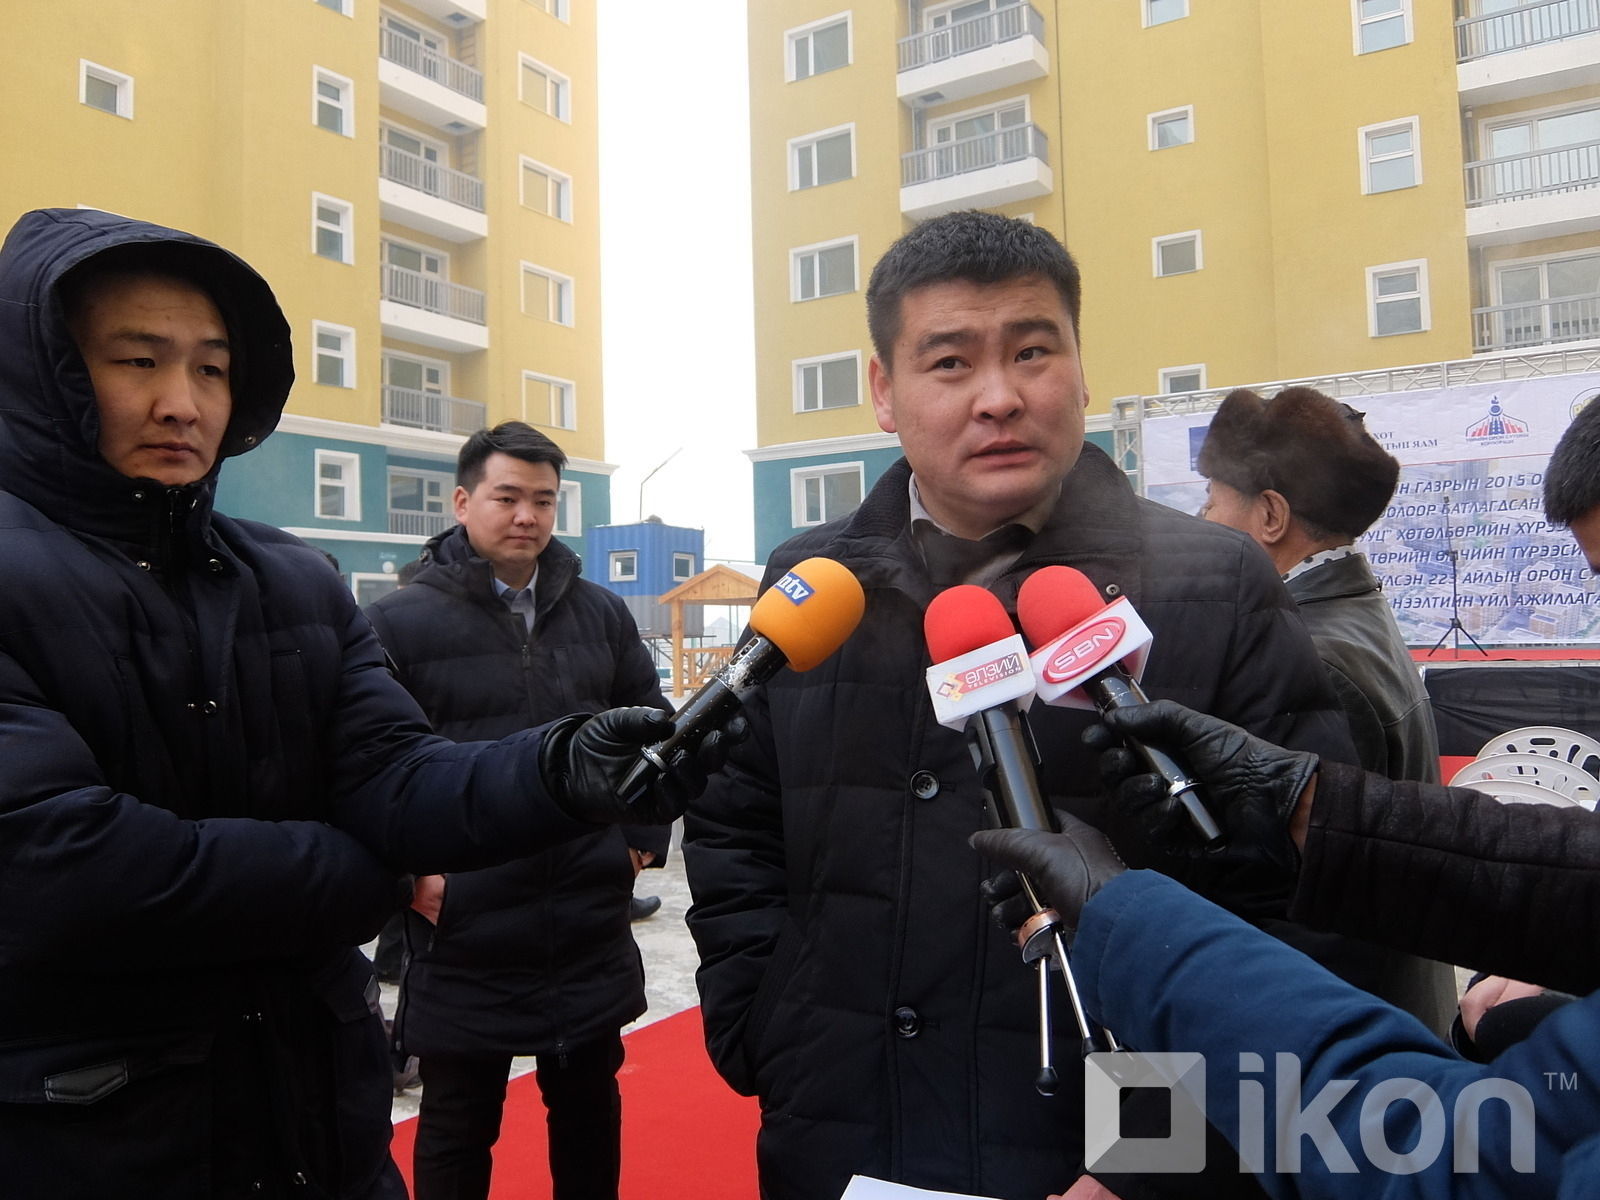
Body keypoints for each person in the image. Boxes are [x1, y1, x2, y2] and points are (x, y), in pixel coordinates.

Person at [0, 207, 713, 1199]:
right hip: (96, 1133)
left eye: (212, 368)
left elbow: (394, 774)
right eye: (137, 362)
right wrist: (376, 877)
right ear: (48, 373)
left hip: (320, 1120)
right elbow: (63, 867)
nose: (181, 403)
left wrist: (557, 771)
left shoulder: (293, 580)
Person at [682, 209, 1360, 1200]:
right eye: (950, 362)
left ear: (1080, 371)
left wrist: (1144, 1166)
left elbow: (1295, 902)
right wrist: (764, 1023)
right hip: (842, 1125)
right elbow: (735, 825)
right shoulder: (811, 584)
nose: (998, 397)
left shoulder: (1216, 585)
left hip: (1093, 1152)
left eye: (1032, 352)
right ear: (884, 391)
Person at [364, 421, 672, 1200]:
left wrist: (637, 841)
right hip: (466, 926)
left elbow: (657, 730)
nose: (527, 516)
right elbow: (363, 764)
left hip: (584, 918)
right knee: (458, 1123)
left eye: (543, 500)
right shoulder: (397, 622)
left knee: (589, 1113)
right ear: (463, 502)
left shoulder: (601, 614)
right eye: (507, 497)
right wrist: (407, 878)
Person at [1194, 385, 1454, 1034]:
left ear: (1271, 516)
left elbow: (1306, 907)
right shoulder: (1350, 613)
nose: (1201, 518)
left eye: (1212, 500)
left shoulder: (1311, 656)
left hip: (1348, 1038)